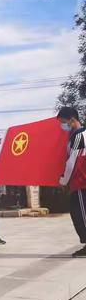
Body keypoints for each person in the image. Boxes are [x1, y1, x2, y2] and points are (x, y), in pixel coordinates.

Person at [58, 107, 86, 257]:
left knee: (81, 214)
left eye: (64, 122)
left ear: (72, 119)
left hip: (82, 182)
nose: (63, 126)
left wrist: (63, 181)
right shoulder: (75, 136)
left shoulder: (79, 136)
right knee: (78, 212)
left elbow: (72, 162)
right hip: (79, 182)